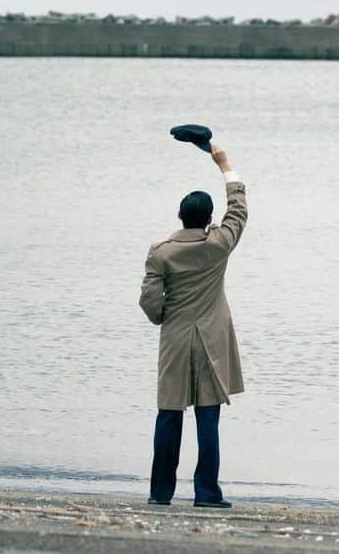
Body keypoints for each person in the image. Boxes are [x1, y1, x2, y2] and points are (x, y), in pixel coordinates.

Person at [138, 142, 248, 508]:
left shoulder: (162, 251)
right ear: (208, 218)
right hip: (211, 341)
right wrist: (225, 165)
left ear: (179, 216)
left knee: (169, 415)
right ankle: (206, 493)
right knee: (208, 418)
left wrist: (165, 317)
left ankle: (160, 492)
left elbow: (150, 303)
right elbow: (239, 211)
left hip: (175, 339)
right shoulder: (218, 244)